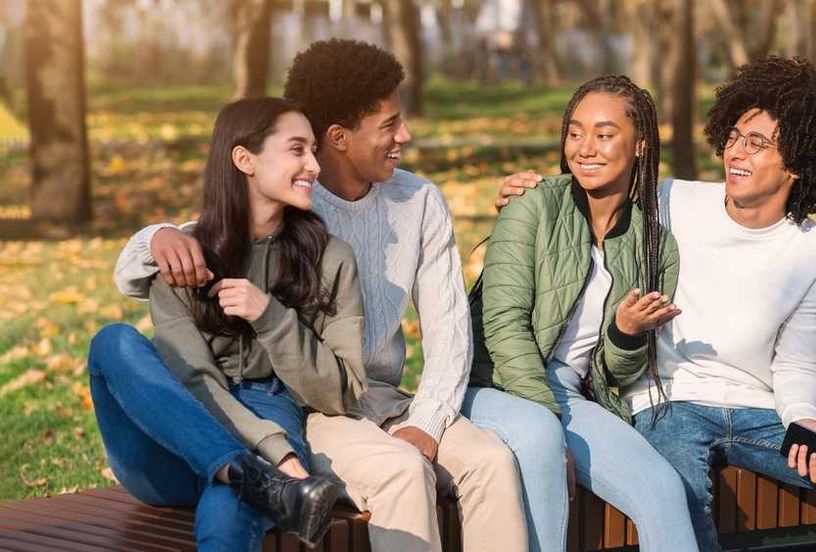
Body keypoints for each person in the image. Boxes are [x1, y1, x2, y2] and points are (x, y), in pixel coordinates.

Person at [112, 39, 526, 552]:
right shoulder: (293, 200)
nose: (406, 135)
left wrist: (427, 422)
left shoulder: (417, 200)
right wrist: (156, 235)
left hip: (384, 397)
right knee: (401, 471)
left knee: (492, 461)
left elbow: (449, 330)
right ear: (339, 137)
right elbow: (206, 238)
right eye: (390, 124)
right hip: (311, 407)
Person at [497, 57, 816, 552]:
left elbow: (795, 362)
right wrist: (526, 190)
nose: (736, 152)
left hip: (758, 412)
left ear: (796, 162)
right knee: (677, 493)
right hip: (667, 403)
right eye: (734, 137)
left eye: (758, 143)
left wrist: (804, 419)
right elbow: (591, 192)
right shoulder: (668, 201)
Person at [89, 96, 367, 552]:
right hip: (170, 442)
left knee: (228, 509)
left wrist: (271, 317)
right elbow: (193, 379)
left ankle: (241, 477)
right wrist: (270, 456)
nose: (315, 165)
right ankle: (244, 472)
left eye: (313, 150)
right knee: (113, 341)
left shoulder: (330, 258)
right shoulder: (182, 256)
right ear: (245, 159)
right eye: (297, 149)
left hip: (271, 414)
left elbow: (342, 390)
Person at [471, 74, 699, 552]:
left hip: (569, 395)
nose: (585, 147)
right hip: (490, 384)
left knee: (663, 491)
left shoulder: (654, 247)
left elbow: (616, 373)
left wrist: (625, 334)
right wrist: (549, 419)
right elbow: (502, 327)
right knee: (537, 441)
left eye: (604, 133)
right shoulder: (532, 205)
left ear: (639, 145)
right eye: (575, 132)